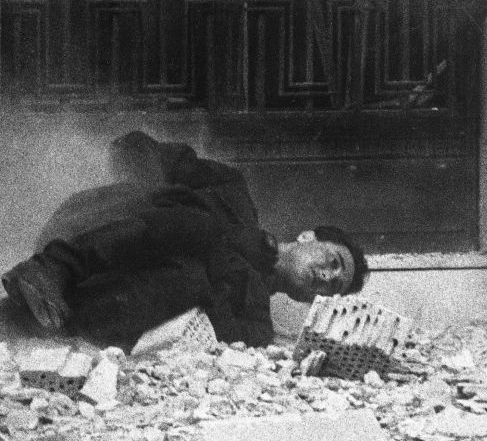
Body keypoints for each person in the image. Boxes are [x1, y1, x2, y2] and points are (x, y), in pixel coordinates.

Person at [2, 132, 368, 352]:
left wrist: (216, 282)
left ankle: (21, 320)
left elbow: (224, 335)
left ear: (308, 301)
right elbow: (134, 147)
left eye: (332, 287)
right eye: (333, 262)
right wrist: (153, 197)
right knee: (199, 227)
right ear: (308, 237)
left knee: (190, 281)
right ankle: (54, 268)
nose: (326, 277)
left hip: (83, 302)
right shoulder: (233, 193)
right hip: (87, 224)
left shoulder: (255, 317)